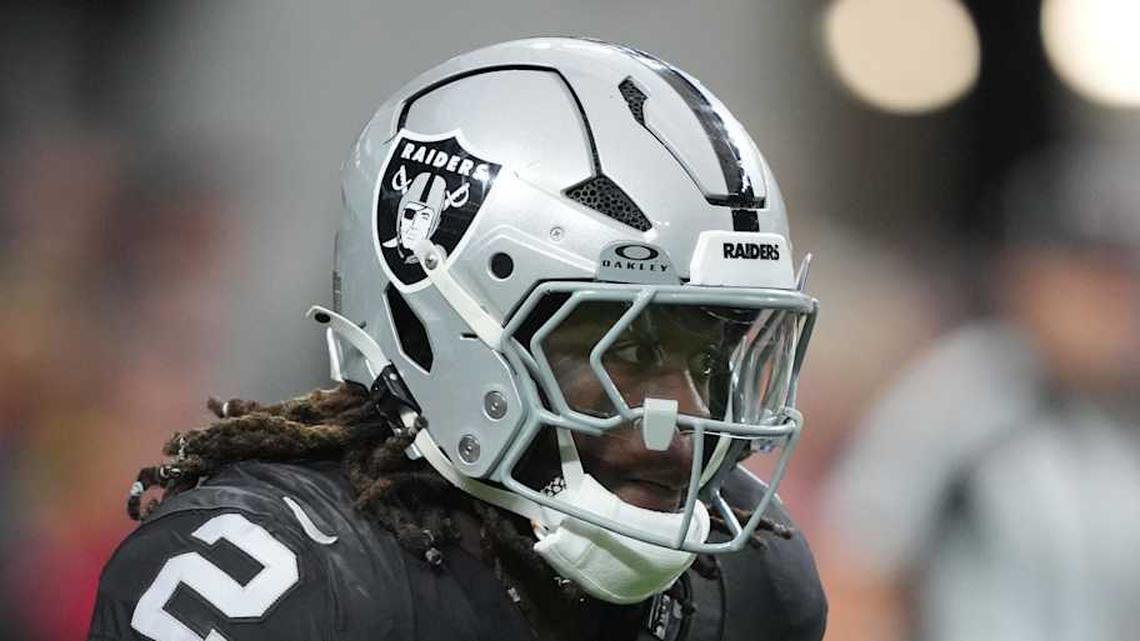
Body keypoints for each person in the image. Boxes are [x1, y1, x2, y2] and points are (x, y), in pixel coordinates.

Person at [86, 38, 828, 641]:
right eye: (627, 349)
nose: (680, 423)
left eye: (706, 354)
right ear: (451, 327)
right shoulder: (279, 583)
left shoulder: (749, 582)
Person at [820, 142, 1140, 641]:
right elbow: (858, 570)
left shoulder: (1122, 418)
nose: (1108, 304)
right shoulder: (965, 392)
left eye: (1121, 278)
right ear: (1027, 276)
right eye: (1086, 276)